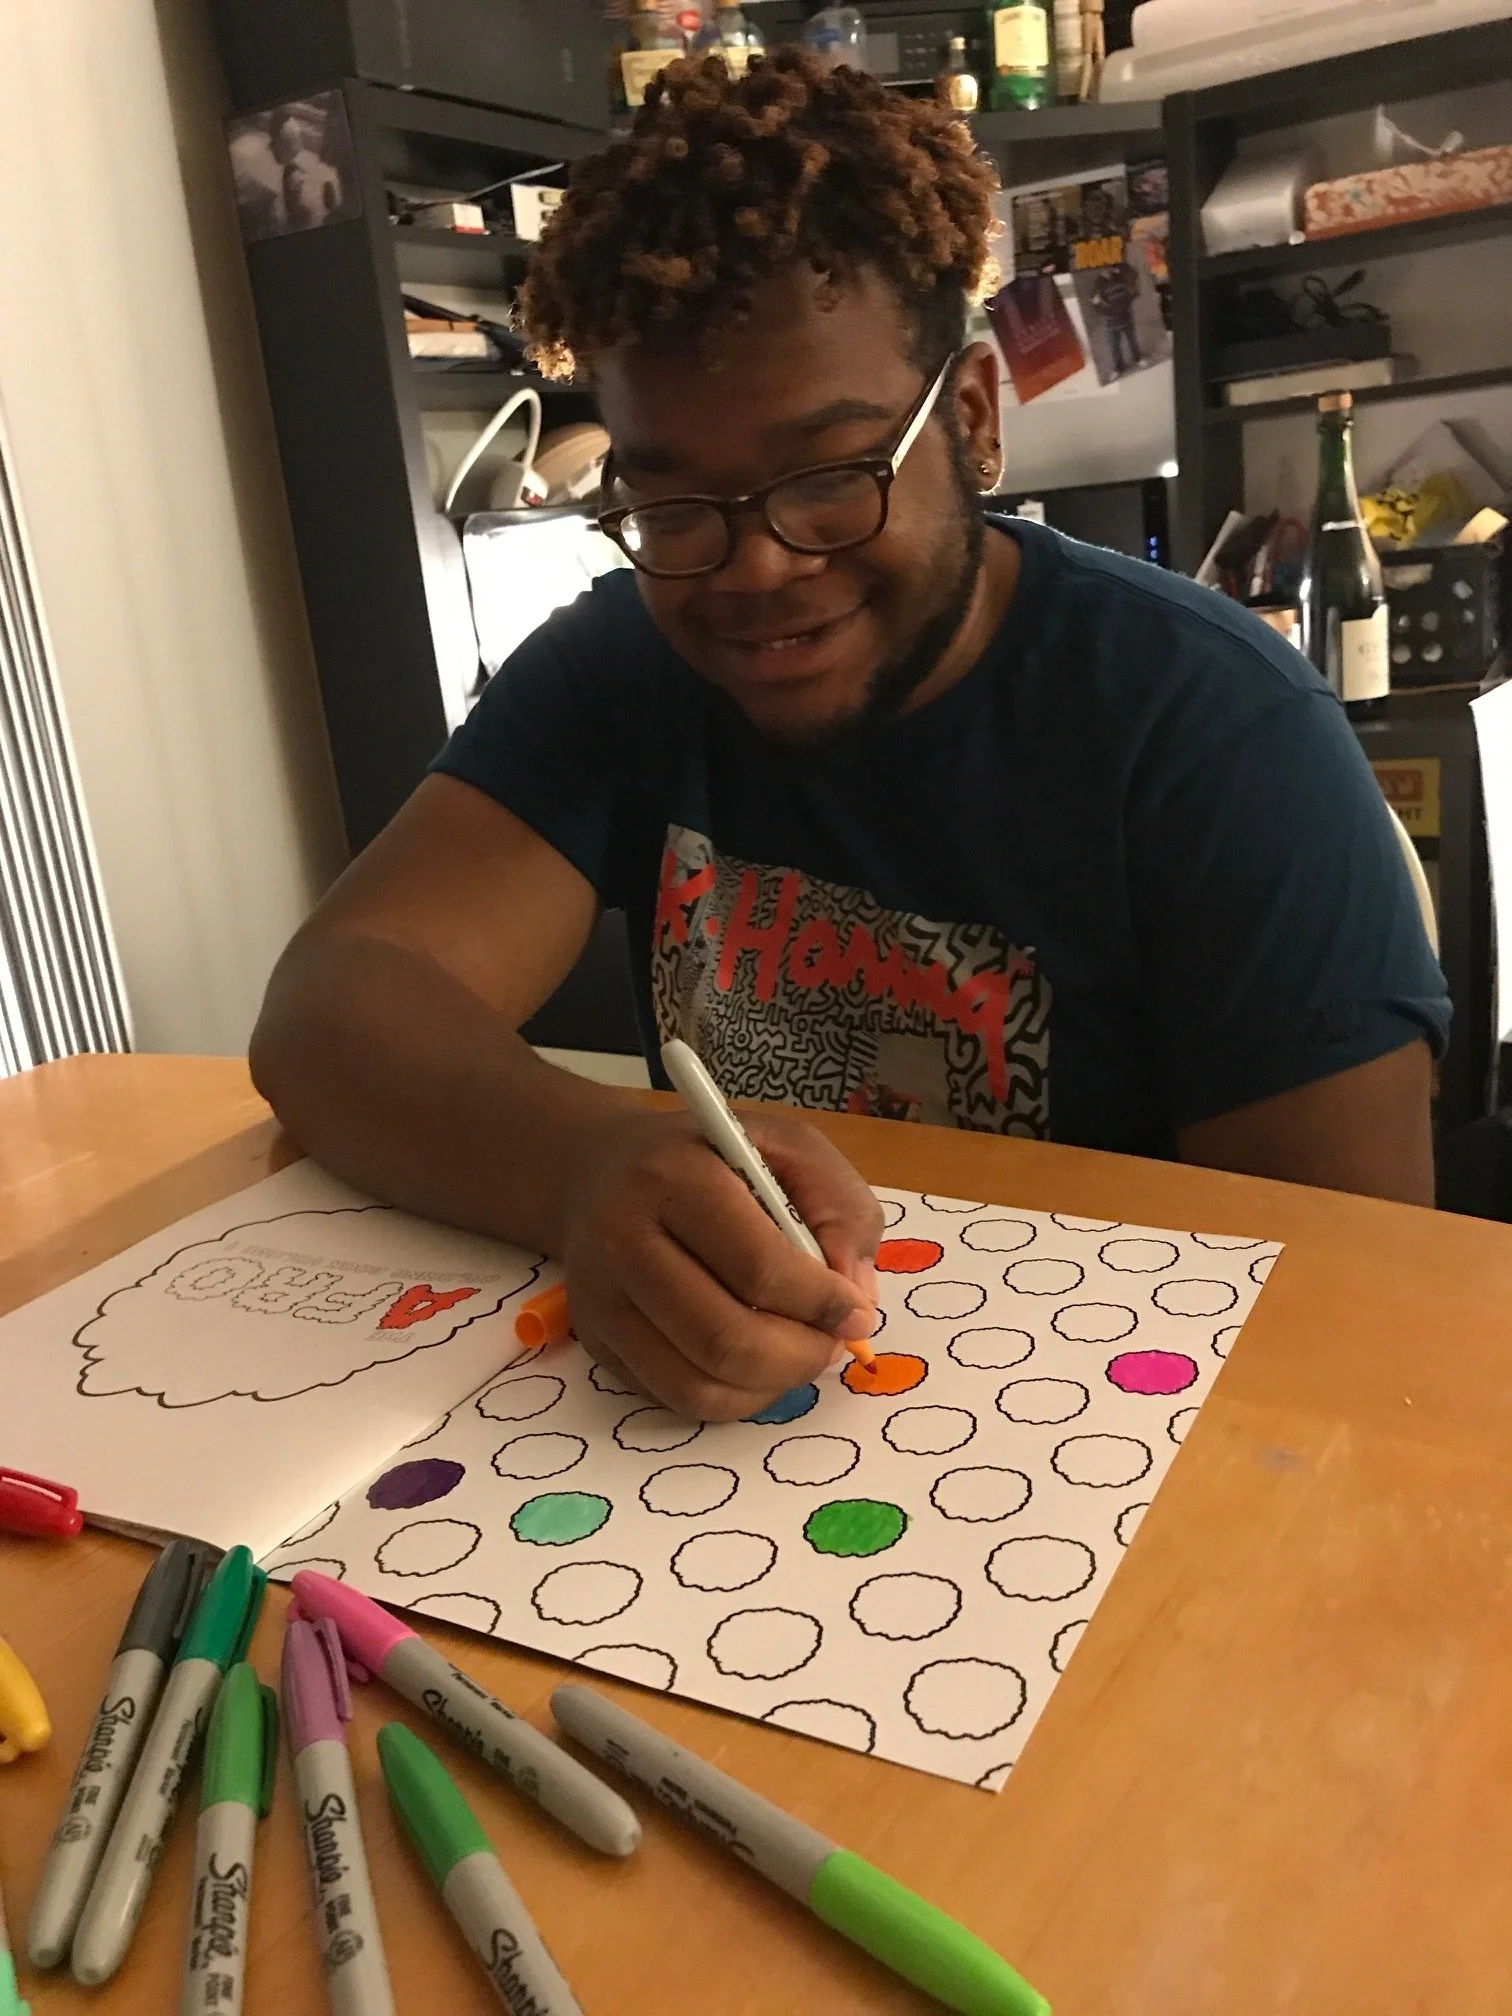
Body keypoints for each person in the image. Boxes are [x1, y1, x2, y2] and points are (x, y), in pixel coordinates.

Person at [251, 49, 1448, 1425]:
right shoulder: (622, 665)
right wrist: (579, 1162)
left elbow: (1354, 1311)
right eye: (677, 507)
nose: (755, 568)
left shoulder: (1217, 737)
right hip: (754, 1451)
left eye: (831, 480)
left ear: (978, 422)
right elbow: (335, 1002)